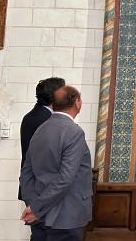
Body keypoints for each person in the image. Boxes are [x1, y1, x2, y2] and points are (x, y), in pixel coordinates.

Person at [19, 86, 93, 241]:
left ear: (53, 104)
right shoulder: (74, 132)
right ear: (77, 103)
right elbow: (66, 178)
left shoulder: (41, 129)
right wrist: (36, 208)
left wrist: (32, 204)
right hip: (67, 216)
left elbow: (26, 171)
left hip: (41, 214)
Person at [18, 77, 65, 200]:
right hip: (42, 187)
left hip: (34, 184)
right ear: (56, 96)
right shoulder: (46, 120)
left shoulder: (33, 115)